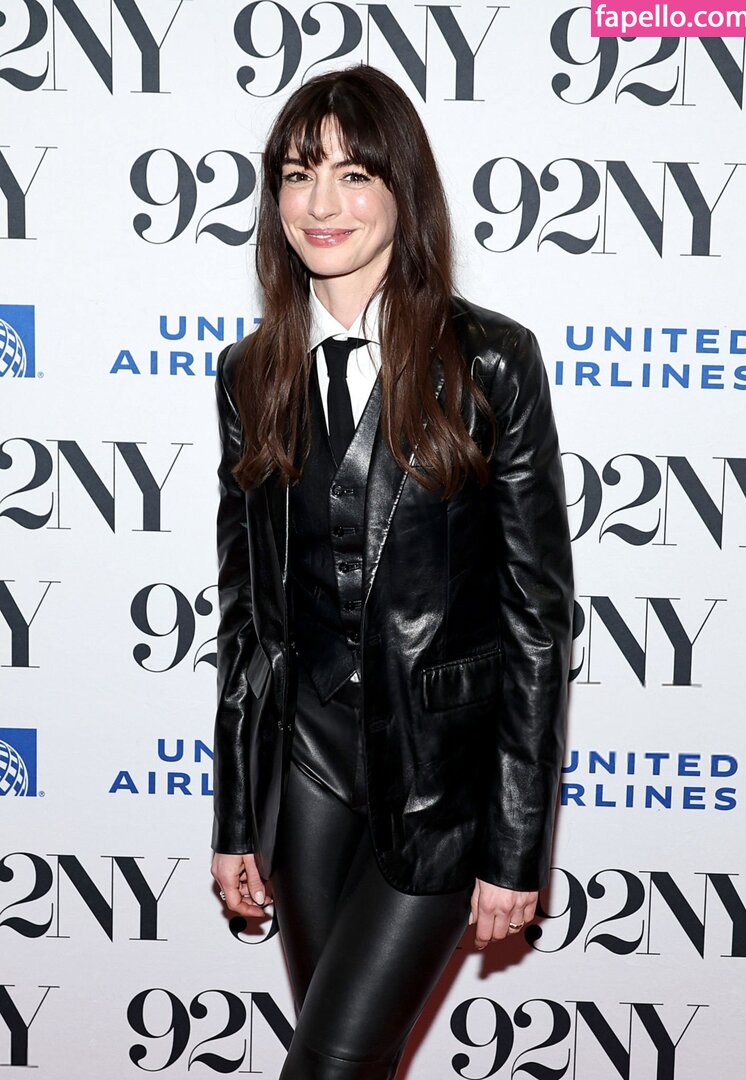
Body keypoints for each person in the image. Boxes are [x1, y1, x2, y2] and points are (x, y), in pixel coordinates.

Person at [210, 64, 573, 1080]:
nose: (320, 203)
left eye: (353, 174)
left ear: (401, 190)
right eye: (297, 174)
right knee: (355, 1063)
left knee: (326, 1063)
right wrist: (237, 817)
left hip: (440, 782)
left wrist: (515, 844)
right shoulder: (251, 372)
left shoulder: (491, 362)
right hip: (305, 774)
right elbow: (245, 620)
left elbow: (537, 619)